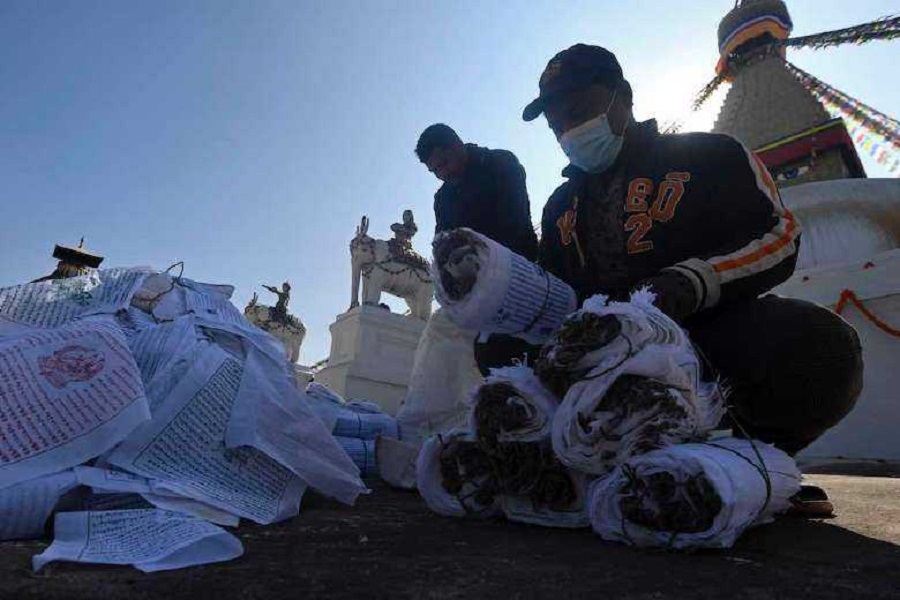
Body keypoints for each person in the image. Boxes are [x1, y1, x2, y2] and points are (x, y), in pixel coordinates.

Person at [520, 44, 863, 513]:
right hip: (596, 362)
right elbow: (553, 291)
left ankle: (751, 464)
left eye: (578, 110)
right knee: (495, 345)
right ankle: (578, 461)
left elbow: (778, 235)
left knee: (822, 348)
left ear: (623, 96)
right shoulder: (559, 206)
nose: (568, 130)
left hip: (704, 342)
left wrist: (691, 282)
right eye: (555, 123)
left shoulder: (709, 155)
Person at [416, 123, 538, 260]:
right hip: (474, 276)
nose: (442, 174)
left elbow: (515, 224)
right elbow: (443, 245)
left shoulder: (500, 163)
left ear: (457, 145)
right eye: (435, 171)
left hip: (522, 264)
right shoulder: (442, 199)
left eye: (443, 163)